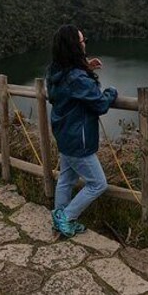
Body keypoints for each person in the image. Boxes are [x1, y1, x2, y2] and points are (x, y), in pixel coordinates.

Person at [46, 24, 118, 238]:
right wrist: (111, 92)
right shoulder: (77, 78)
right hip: (79, 140)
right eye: (81, 40)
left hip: (64, 134)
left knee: (66, 179)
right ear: (73, 46)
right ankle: (66, 218)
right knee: (98, 184)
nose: (84, 43)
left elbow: (71, 85)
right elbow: (99, 104)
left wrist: (86, 67)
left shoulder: (55, 70)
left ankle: (60, 221)